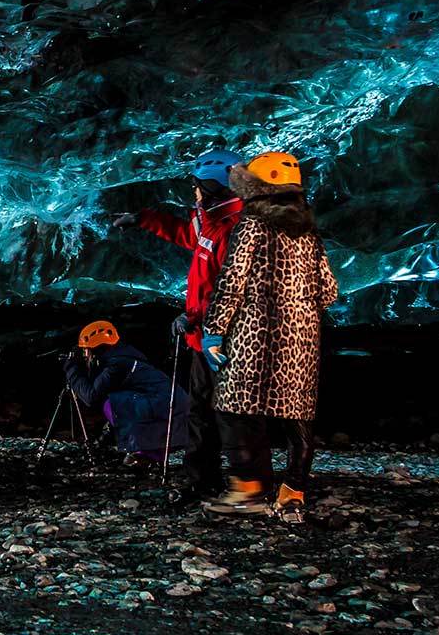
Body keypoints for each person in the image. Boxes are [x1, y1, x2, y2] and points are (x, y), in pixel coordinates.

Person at [198, 152, 339, 522]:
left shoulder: (251, 225)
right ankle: (293, 494)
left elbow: (231, 283)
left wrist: (213, 332)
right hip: (301, 339)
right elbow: (329, 289)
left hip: (254, 336)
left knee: (232, 409)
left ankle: (247, 490)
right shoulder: (307, 229)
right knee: (298, 419)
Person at [114, 148, 242, 501]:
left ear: (213, 185)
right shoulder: (212, 222)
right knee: (201, 411)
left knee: (226, 413)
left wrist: (194, 317)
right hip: (203, 339)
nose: (194, 192)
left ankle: (242, 484)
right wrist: (142, 219)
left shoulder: (234, 230)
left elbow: (230, 288)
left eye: (198, 186)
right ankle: (205, 480)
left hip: (224, 340)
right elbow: (187, 235)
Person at [62, 320, 189, 468]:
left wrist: (71, 369)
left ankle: (146, 453)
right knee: (120, 398)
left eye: (85, 350)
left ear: (96, 349)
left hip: (170, 412)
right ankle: (149, 450)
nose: (84, 355)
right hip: (175, 411)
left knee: (110, 403)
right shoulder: (123, 357)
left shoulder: (117, 365)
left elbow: (91, 397)